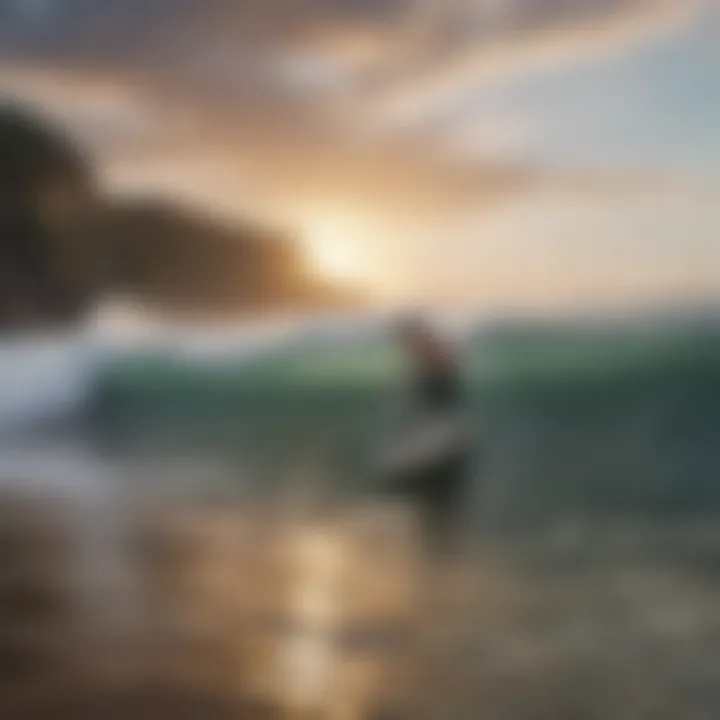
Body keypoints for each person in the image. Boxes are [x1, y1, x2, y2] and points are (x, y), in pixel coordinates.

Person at [378, 315, 473, 555]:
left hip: (446, 444)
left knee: (439, 509)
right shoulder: (430, 361)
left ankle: (442, 557)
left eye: (408, 340)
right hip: (442, 443)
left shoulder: (438, 359)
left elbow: (444, 400)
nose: (405, 349)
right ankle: (439, 558)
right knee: (432, 513)